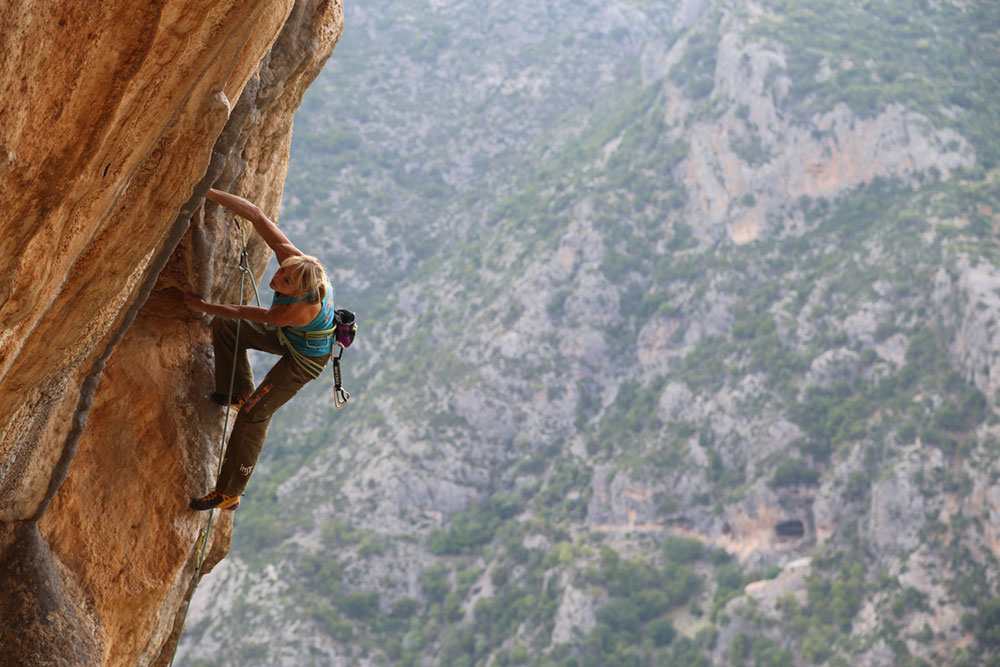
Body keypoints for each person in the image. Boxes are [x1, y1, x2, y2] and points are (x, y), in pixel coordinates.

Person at [184, 188, 336, 511]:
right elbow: (255, 214)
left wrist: (203, 305)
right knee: (226, 329)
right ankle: (235, 391)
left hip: (304, 361)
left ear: (299, 291)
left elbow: (245, 313)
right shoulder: (295, 261)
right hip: (290, 338)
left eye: (285, 282)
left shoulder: (291, 311)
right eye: (281, 271)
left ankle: (229, 493)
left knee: (255, 414)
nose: (277, 277)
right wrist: (207, 189)